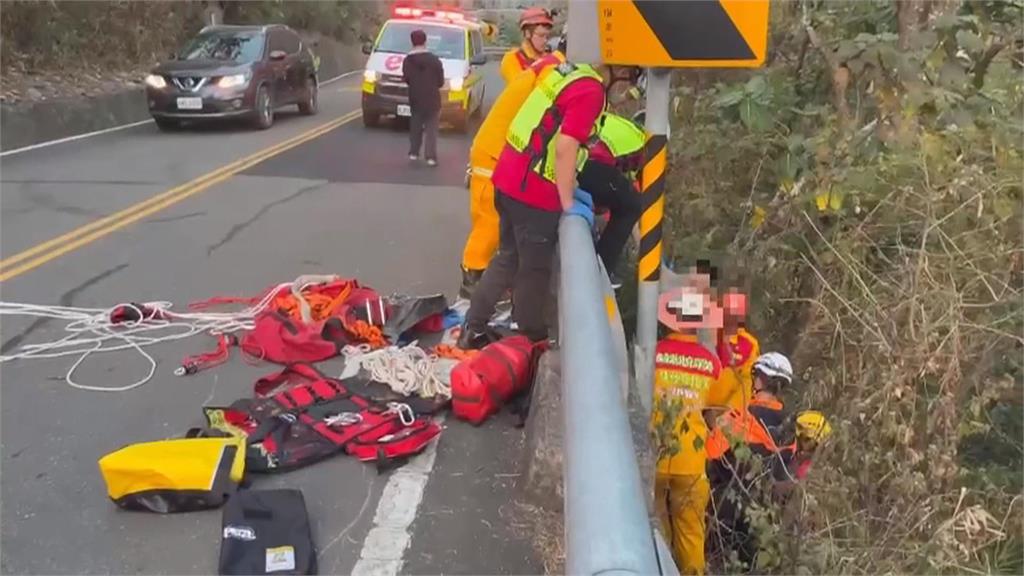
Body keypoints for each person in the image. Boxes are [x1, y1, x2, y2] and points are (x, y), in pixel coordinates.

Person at [457, 59, 610, 349]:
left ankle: (473, 325)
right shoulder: (591, 91)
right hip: (534, 192)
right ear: (620, 73)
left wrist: (570, 186)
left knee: (508, 256)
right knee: (534, 269)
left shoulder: (567, 74)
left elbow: (546, 130)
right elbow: (565, 146)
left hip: (509, 177)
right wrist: (567, 201)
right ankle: (531, 338)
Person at [459, 49, 567, 299]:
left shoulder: (550, 65)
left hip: (504, 150)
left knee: (502, 222)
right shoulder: (554, 72)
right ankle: (469, 286)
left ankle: (487, 284)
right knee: (489, 222)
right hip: (494, 151)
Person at [651, 270, 724, 575]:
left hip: (655, 456)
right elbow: (714, 413)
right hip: (692, 463)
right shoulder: (711, 364)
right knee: (692, 533)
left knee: (654, 526)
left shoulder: (653, 355)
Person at [705, 352, 794, 569]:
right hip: (772, 515)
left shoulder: (737, 418)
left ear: (760, 379)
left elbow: (709, 458)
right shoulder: (793, 427)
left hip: (729, 513)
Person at [576, 111, 646, 285]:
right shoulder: (642, 147)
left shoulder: (623, 129)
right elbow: (633, 205)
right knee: (630, 206)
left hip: (570, 160)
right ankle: (602, 270)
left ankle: (599, 266)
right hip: (585, 163)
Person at [706, 290, 761, 412]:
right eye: (726, 312)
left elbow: (746, 384)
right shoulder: (705, 333)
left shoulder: (748, 344)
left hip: (723, 414)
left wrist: (726, 414)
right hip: (694, 406)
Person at [402, 29, 444, 167]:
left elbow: (406, 78)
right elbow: (440, 82)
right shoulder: (434, 60)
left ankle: (413, 153)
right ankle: (431, 157)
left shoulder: (408, 60)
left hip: (415, 98)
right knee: (431, 129)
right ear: (425, 41)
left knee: (415, 125)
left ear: (411, 42)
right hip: (433, 99)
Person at [500, 7, 554, 84]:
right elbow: (520, 87)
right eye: (541, 36)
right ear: (527, 33)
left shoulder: (550, 59)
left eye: (547, 36)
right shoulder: (513, 58)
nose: (545, 40)